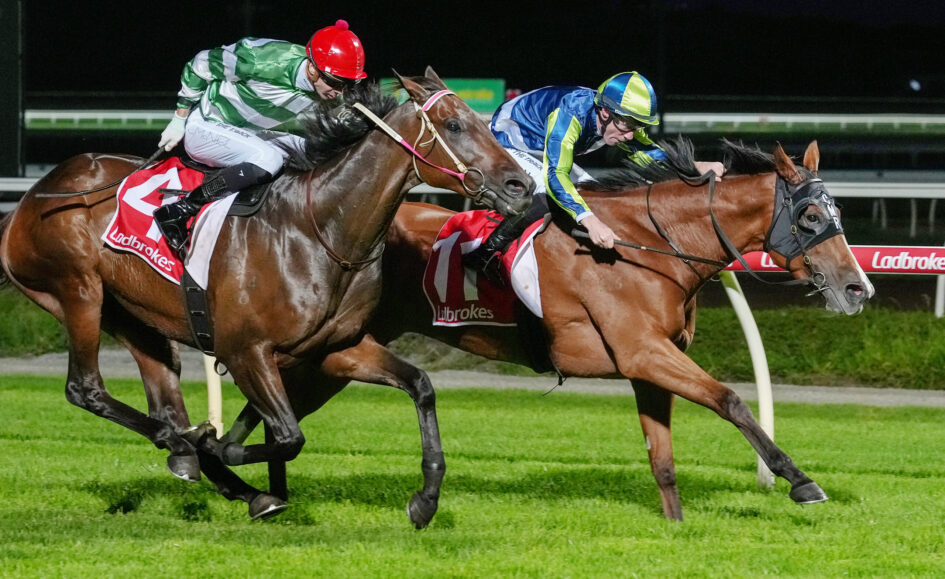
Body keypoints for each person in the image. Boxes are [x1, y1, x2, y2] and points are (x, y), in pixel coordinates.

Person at [464, 71, 725, 276]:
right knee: (544, 194)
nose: (631, 134)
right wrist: (590, 222)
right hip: (506, 139)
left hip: (539, 146)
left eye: (639, 126)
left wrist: (694, 165)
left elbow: (649, 154)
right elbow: (557, 175)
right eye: (628, 124)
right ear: (604, 112)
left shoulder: (619, 120)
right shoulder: (571, 114)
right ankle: (486, 254)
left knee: (596, 195)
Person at [152, 20, 368, 258]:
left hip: (253, 133)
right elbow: (199, 64)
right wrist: (179, 118)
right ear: (313, 68)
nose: (340, 92)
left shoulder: (329, 87)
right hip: (207, 126)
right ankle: (181, 209)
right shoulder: (260, 59)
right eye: (336, 83)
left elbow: (342, 121)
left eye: (349, 83)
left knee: (318, 151)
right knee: (269, 158)